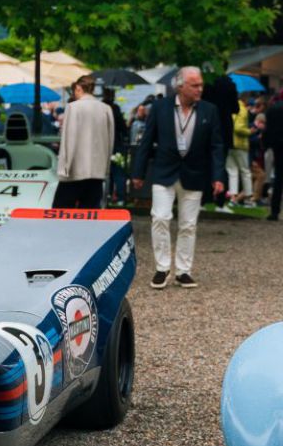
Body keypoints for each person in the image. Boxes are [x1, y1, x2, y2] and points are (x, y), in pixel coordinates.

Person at [131, 66, 227, 287]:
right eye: (195, 85)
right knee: (160, 218)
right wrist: (138, 172)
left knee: (188, 224)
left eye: (201, 84)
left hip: (195, 173)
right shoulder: (160, 108)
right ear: (180, 86)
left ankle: (183, 270)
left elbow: (216, 146)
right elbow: (146, 141)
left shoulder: (209, 110)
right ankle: (162, 268)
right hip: (164, 171)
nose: (200, 89)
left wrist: (218, 176)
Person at [55, 74, 115, 209]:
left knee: (60, 213)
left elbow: (68, 140)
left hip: (74, 171)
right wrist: (105, 168)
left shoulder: (73, 107)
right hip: (97, 172)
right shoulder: (106, 108)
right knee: (89, 216)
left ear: (78, 88)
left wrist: (64, 169)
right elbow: (110, 141)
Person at [101, 87, 129, 204]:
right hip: (116, 143)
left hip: (102, 144)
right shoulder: (115, 108)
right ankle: (121, 198)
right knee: (118, 172)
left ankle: (106, 195)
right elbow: (123, 128)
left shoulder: (101, 108)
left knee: (106, 172)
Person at [264, 93, 283, 223]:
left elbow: (268, 129)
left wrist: (267, 144)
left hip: (278, 146)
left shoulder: (273, 109)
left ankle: (274, 211)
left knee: (278, 179)